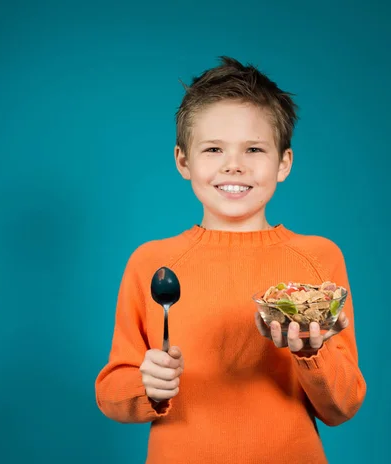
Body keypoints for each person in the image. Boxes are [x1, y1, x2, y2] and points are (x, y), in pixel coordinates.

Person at [94, 56, 367, 464]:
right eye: (214, 148)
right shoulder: (152, 263)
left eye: (254, 148)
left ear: (284, 163)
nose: (233, 164)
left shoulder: (318, 258)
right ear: (183, 161)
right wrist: (147, 384)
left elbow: (342, 407)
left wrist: (314, 354)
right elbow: (112, 392)